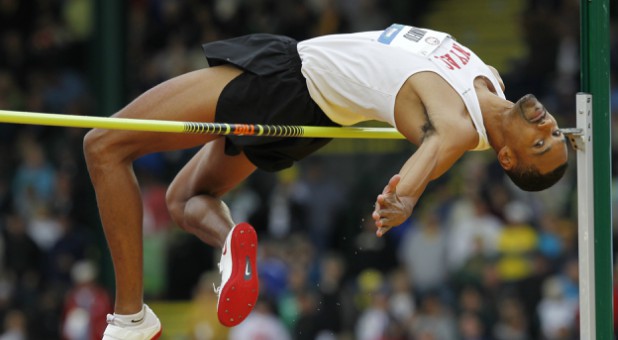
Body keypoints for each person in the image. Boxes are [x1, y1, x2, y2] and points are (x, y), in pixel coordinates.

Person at [82, 23, 568, 339]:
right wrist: (572, 136)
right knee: (185, 199)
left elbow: (434, 150)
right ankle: (232, 241)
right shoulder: (493, 86)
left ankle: (130, 319)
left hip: (285, 83)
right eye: (552, 133)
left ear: (506, 157)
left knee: (103, 147)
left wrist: (405, 199)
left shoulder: (459, 125)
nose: (547, 128)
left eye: (541, 144)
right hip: (311, 109)